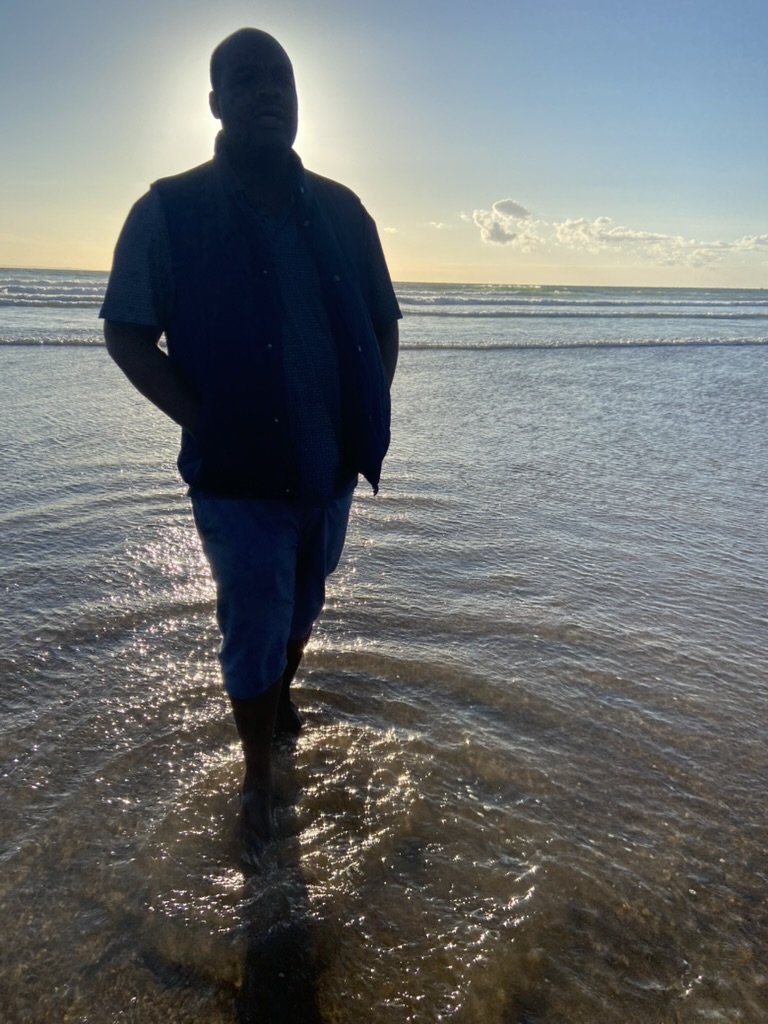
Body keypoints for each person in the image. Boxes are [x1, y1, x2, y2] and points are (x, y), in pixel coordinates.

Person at [100, 28, 400, 854]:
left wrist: (364, 410)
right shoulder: (169, 210)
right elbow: (127, 333)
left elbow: (383, 323)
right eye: (246, 79)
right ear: (215, 102)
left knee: (304, 606)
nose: (268, 91)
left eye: (281, 79)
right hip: (237, 479)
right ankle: (258, 776)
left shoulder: (343, 210)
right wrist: (207, 420)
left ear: (298, 100)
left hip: (329, 470)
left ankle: (280, 697)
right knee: (253, 621)